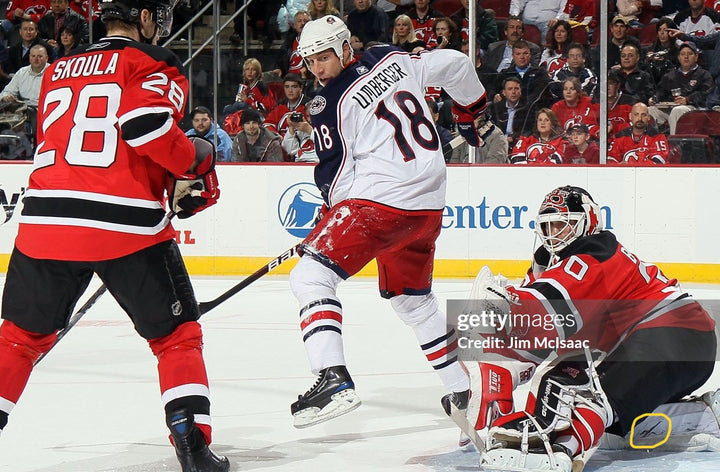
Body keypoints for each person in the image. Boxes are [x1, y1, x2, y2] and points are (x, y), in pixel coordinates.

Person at [0, 1, 227, 472]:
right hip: (126, 225)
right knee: (176, 339)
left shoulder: (58, 68)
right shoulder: (153, 62)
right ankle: (192, 443)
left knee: (17, 341)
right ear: (144, 17)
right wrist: (196, 163)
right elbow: (143, 126)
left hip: (45, 220)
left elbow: (76, 145)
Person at [289, 14, 494, 429]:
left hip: (381, 205)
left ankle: (332, 378)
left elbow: (336, 178)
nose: (318, 69)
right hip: (427, 205)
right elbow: (456, 64)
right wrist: (471, 111)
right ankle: (464, 390)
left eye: (324, 57)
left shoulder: (328, 105)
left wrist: (327, 230)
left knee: (310, 276)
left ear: (346, 48)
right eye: (310, 62)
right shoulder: (393, 58)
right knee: (414, 302)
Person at [461, 185, 716, 471]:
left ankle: (556, 449)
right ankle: (703, 416)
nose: (554, 232)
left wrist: (504, 308)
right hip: (663, 341)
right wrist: (497, 375)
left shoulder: (596, 252)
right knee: (611, 427)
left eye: (563, 224)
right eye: (548, 225)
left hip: (674, 333)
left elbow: (543, 307)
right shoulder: (552, 262)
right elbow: (543, 333)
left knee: (590, 401)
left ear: (588, 221)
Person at [648, 41, 714, 134]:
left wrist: (688, 99)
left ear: (696, 57)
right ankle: (649, 143)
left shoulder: (704, 74)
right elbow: (661, 91)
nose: (686, 57)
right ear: (679, 57)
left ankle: (674, 145)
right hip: (671, 107)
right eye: (683, 54)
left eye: (690, 54)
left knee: (677, 111)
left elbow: (705, 93)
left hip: (694, 108)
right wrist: (655, 98)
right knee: (649, 111)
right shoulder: (670, 75)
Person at [496, 40, 552, 110]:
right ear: (513, 56)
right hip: (508, 110)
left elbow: (538, 95)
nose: (522, 57)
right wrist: (495, 96)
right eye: (518, 54)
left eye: (525, 53)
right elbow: (495, 90)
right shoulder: (505, 73)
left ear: (530, 55)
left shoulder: (540, 73)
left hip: (533, 110)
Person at [264, 72, 311, 155]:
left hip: (302, 150)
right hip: (280, 147)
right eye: (287, 87)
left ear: (301, 88)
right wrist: (278, 137)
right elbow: (267, 124)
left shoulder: (308, 106)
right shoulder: (280, 106)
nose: (290, 90)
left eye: (294, 87)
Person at [488, 76, 533, 151]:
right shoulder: (496, 108)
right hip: (498, 143)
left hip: (519, 144)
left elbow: (529, 131)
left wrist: (513, 138)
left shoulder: (527, 109)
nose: (513, 92)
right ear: (504, 93)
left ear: (520, 91)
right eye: (510, 89)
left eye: (516, 89)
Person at [0, 43, 48, 107]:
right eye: (33, 56)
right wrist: (6, 97)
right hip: (24, 110)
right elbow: (7, 91)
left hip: (45, 109)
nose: (36, 59)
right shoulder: (22, 72)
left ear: (46, 58)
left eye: (40, 56)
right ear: (29, 57)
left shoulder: (53, 73)